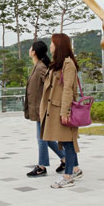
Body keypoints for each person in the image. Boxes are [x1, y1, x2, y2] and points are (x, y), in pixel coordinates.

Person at [40, 33, 83, 189]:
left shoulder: (68, 64)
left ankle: (68, 175)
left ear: (58, 46)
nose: (50, 46)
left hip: (62, 110)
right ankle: (74, 170)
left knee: (68, 142)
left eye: (52, 43)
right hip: (55, 109)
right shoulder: (57, 63)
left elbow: (68, 90)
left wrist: (65, 112)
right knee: (65, 141)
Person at [24, 41, 65, 177]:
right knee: (44, 137)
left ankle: (41, 166)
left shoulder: (41, 67)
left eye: (31, 48)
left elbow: (52, 84)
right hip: (38, 108)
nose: (29, 50)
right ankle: (65, 158)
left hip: (42, 109)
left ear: (34, 52)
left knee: (41, 138)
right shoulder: (38, 66)